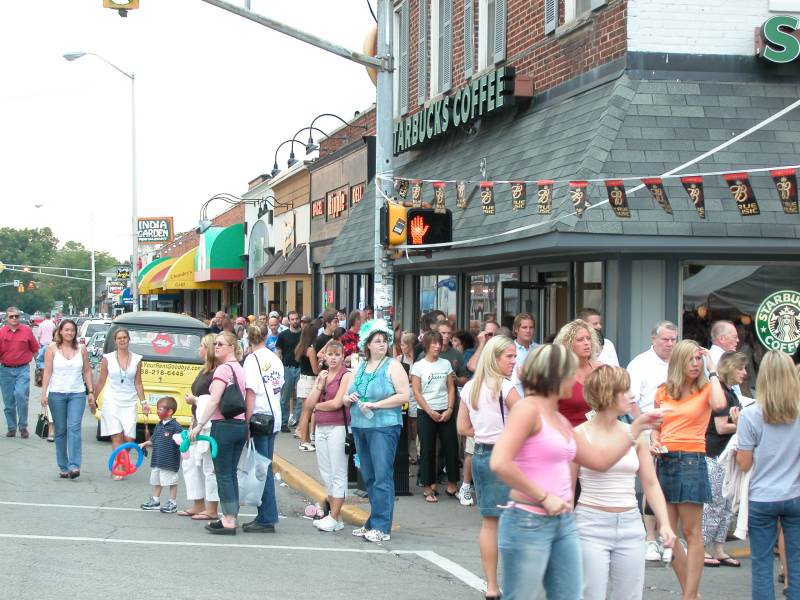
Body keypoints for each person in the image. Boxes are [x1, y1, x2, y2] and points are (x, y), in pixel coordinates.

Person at [490, 344, 661, 600]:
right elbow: (500, 463)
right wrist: (544, 496)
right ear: (554, 375)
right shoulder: (528, 409)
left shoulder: (560, 420)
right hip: (528, 520)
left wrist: (635, 430)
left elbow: (600, 461)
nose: (576, 380)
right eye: (571, 373)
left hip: (563, 522)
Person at [574, 366, 676, 600]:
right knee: (591, 595)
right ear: (607, 393)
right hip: (590, 523)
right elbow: (568, 490)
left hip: (630, 523)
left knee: (629, 596)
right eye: (625, 390)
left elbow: (650, 483)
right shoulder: (579, 434)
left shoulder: (634, 432)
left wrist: (666, 525)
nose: (632, 396)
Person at [651, 339, 726, 600]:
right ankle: (691, 595)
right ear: (679, 361)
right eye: (691, 359)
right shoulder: (662, 391)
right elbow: (656, 427)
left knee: (691, 532)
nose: (695, 364)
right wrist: (653, 440)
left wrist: (713, 369)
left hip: (692, 460)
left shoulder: (706, 388)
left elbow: (719, 405)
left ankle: (689, 595)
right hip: (666, 459)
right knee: (667, 536)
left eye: (699, 359)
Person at [457, 335, 521, 600]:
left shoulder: (471, 387)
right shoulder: (506, 388)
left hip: (482, 454)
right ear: (495, 358)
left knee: (489, 523)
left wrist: (483, 433)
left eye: (515, 356)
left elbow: (462, 428)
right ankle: (515, 584)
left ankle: (492, 585)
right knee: (514, 522)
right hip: (508, 455)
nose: (514, 362)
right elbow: (525, 421)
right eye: (509, 357)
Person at [736, 350, 800, 600]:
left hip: (762, 496)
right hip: (795, 493)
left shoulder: (750, 414)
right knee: (796, 562)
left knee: (761, 564)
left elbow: (744, 464)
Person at [345, 319, 410, 544]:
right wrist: (349, 398)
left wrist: (377, 405)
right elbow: (347, 393)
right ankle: (373, 521)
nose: (382, 344)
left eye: (385, 341)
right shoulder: (360, 366)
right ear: (368, 345)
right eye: (377, 341)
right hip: (360, 426)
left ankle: (382, 526)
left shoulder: (393, 365)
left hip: (384, 426)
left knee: (382, 476)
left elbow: (404, 395)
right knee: (370, 477)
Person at [627, 319, 678, 562]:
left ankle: (667, 533)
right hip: (650, 428)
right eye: (665, 339)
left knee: (670, 481)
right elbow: (631, 399)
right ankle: (649, 538)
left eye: (673, 339)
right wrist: (644, 426)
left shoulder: (679, 362)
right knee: (652, 479)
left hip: (676, 429)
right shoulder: (640, 363)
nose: (669, 344)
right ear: (653, 339)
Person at [189, 331, 247, 534]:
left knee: (223, 474)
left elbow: (214, 399)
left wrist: (199, 424)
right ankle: (230, 515)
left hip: (224, 425)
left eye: (221, 343)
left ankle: (229, 519)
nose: (217, 346)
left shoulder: (223, 370)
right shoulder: (239, 368)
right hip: (240, 424)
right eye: (215, 343)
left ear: (232, 347)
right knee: (231, 473)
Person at [702, 351, 744, 567]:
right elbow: (720, 427)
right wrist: (743, 425)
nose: (744, 373)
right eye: (740, 368)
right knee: (715, 502)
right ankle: (702, 547)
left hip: (726, 455)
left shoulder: (731, 392)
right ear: (730, 368)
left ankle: (718, 547)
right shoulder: (724, 394)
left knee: (726, 503)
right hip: (716, 454)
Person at [306, 340, 353, 532]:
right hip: (321, 428)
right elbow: (308, 403)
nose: (333, 358)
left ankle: (333, 516)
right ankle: (336, 516)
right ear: (324, 357)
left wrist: (317, 406)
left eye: (337, 355)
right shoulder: (323, 375)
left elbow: (335, 404)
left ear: (343, 357)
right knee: (326, 473)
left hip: (338, 427)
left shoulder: (346, 375)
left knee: (338, 472)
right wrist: (319, 385)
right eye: (330, 354)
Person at [242, 324, 284, 533]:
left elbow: (250, 393)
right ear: (266, 336)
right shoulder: (275, 358)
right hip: (274, 416)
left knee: (262, 469)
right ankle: (266, 513)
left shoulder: (251, 360)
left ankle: (267, 516)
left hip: (259, 417)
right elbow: (279, 386)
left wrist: (246, 421)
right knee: (265, 467)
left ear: (247, 338)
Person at [40, 318, 93, 478]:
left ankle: (74, 466)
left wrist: (90, 391)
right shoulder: (52, 348)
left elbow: (87, 371)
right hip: (57, 393)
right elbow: (47, 372)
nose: (69, 333)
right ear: (60, 331)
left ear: (75, 332)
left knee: (74, 428)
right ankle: (63, 466)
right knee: (61, 430)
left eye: (72, 330)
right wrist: (44, 393)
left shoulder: (81, 348)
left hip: (77, 393)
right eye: (66, 330)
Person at [411, 330, 460, 501]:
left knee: (451, 446)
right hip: (426, 412)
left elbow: (451, 388)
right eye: (434, 343)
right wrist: (429, 411)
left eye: (440, 343)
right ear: (426, 345)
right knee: (428, 449)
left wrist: (450, 409)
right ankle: (428, 486)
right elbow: (416, 392)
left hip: (445, 410)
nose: (438, 346)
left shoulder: (446, 364)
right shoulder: (418, 366)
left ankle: (452, 485)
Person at [96, 327, 149, 479]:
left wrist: (144, 402)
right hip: (112, 400)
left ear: (129, 339)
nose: (122, 340)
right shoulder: (108, 358)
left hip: (130, 400)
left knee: (130, 437)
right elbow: (101, 381)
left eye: (124, 337)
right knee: (117, 435)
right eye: (119, 338)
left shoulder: (137, 359)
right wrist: (93, 397)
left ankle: (119, 461)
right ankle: (118, 468)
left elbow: (138, 383)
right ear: (115, 341)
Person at [180, 333, 219, 520]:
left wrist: (196, 400)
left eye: (202, 346)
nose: (199, 349)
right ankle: (198, 503)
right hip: (197, 421)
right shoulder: (204, 370)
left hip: (210, 425)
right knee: (192, 464)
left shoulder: (217, 372)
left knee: (209, 468)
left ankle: (212, 508)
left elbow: (213, 401)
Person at [554, 318, 602, 427]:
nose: (586, 343)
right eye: (580, 340)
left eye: (588, 338)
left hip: (598, 436)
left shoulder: (601, 370)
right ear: (568, 344)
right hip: (569, 436)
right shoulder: (559, 374)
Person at [139, 396, 183, 514]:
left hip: (169, 461)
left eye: (160, 409)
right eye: (158, 409)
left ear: (170, 411)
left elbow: (182, 441)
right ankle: (155, 500)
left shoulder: (176, 426)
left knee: (171, 481)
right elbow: (154, 440)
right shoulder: (159, 425)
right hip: (157, 460)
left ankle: (172, 502)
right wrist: (144, 444)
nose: (158, 411)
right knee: (157, 480)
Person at [0, 306, 39, 437]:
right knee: (8, 401)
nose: (14, 319)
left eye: (16, 316)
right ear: (7, 319)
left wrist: (40, 366)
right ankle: (11, 427)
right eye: (11, 316)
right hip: (5, 370)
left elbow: (34, 349)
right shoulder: (2, 332)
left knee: (21, 396)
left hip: (22, 369)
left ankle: (23, 427)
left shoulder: (27, 331)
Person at [295, 322, 324, 451]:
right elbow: (316, 370)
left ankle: (305, 440)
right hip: (309, 382)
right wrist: (322, 362)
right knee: (307, 413)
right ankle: (303, 441)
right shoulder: (311, 349)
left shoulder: (301, 347)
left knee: (304, 412)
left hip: (302, 380)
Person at [275, 311, 302, 432]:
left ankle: (296, 420)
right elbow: (278, 351)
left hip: (301, 367)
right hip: (287, 368)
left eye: (297, 319)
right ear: (289, 321)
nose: (295, 321)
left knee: (301, 396)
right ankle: (283, 423)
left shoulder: (303, 334)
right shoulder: (283, 335)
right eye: (292, 319)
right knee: (285, 397)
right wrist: (279, 365)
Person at [510, 313, 537, 396]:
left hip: (535, 397)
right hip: (514, 399)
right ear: (516, 329)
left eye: (531, 327)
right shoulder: (509, 349)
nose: (528, 330)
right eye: (524, 327)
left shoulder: (539, 350)